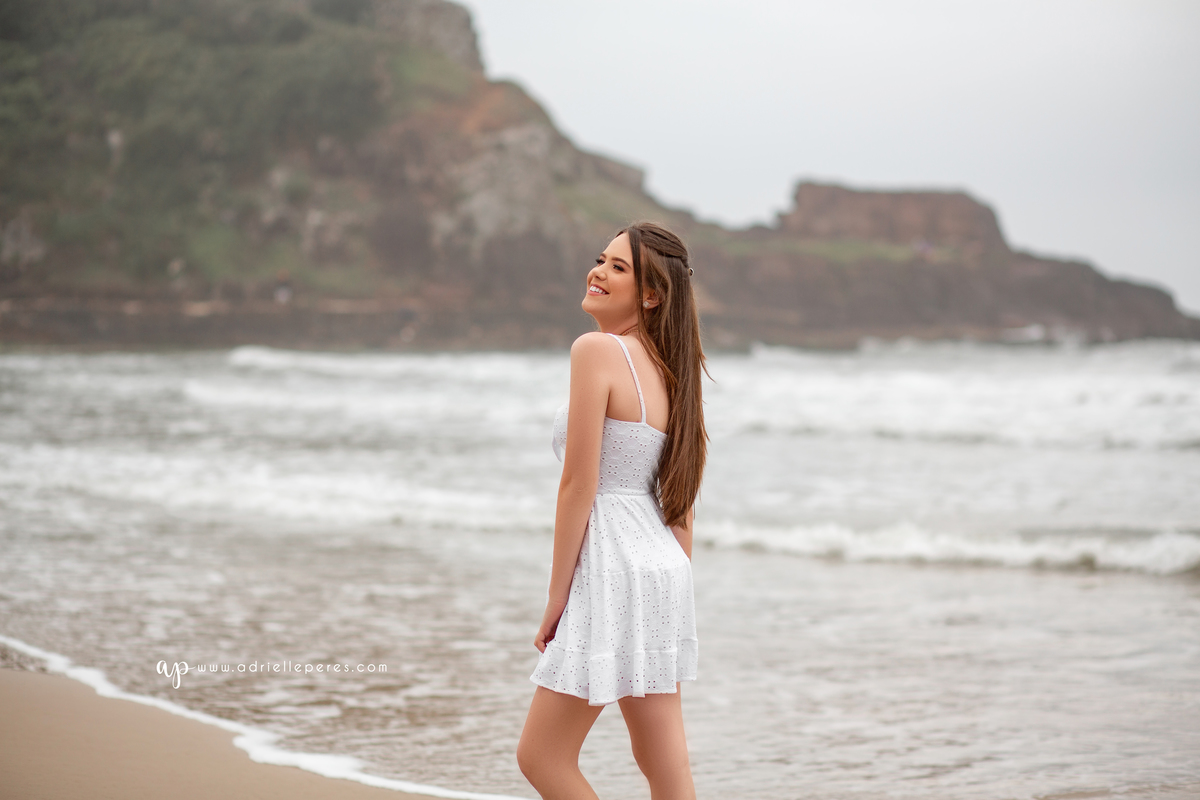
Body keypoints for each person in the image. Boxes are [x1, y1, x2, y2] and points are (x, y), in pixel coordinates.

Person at [516, 222, 709, 799]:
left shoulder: (596, 351)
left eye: (618, 267)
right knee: (663, 762)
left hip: (612, 567)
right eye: (601, 259)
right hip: (661, 567)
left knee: (542, 756)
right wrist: (677, 587)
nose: (597, 272)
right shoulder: (673, 371)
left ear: (651, 295)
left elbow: (579, 484)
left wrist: (557, 599)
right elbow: (680, 499)